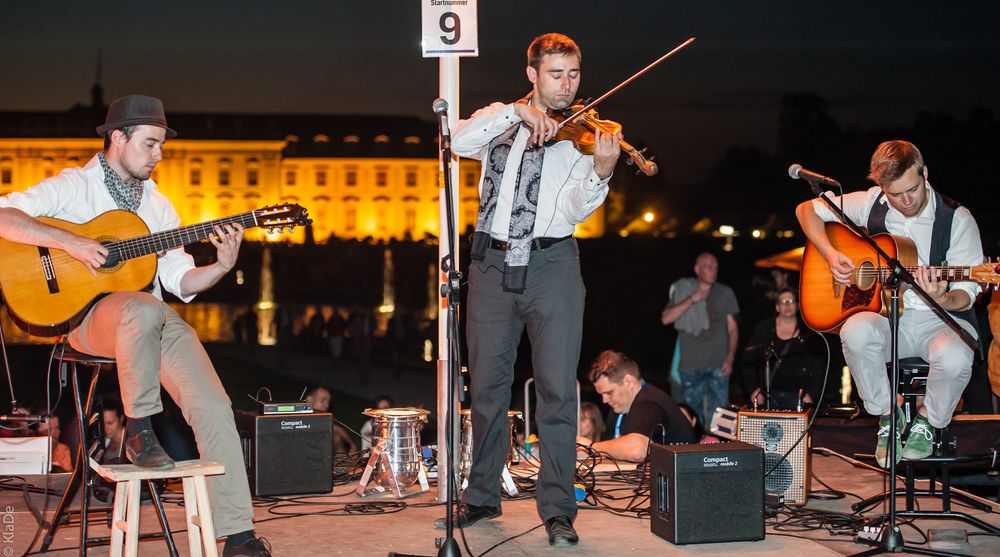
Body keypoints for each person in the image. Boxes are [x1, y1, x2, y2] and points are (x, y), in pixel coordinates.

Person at [0, 95, 270, 556]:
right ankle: (139, 431)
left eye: (161, 145)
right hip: (87, 319)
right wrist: (72, 242)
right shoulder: (74, 187)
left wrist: (221, 268)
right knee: (142, 310)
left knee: (213, 404)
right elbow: (5, 214)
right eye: (150, 144)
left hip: (149, 317)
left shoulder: (159, 206)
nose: (158, 155)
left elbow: (179, 280)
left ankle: (238, 535)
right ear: (117, 138)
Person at [441, 32, 621, 547]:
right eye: (556, 75)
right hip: (491, 266)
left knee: (558, 392)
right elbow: (457, 140)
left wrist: (601, 174)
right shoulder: (500, 117)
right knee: (489, 390)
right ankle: (481, 497)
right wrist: (517, 114)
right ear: (533, 75)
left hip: (551, 264)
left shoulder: (581, 136)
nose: (567, 87)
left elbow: (569, 212)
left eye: (574, 75)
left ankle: (558, 509)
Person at [795, 140, 983, 467]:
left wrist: (942, 296)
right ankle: (886, 414)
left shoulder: (956, 219)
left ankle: (928, 420)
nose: (906, 201)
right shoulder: (873, 203)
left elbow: (966, 294)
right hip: (890, 317)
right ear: (881, 187)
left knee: (955, 357)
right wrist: (830, 252)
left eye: (912, 189)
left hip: (941, 320)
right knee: (854, 331)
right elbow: (806, 210)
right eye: (895, 194)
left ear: (924, 173)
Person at [660, 253, 740, 426]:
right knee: (689, 416)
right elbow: (666, 318)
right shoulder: (684, 289)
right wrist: (691, 299)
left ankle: (720, 451)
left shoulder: (725, 292)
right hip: (691, 365)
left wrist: (731, 357)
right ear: (697, 269)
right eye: (708, 266)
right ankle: (692, 452)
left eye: (715, 267)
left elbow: (732, 328)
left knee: (720, 419)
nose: (713, 270)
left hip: (719, 364)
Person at [577, 350, 695, 462]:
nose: (604, 400)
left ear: (628, 382)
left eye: (608, 392)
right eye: (602, 394)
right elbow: (610, 452)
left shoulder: (648, 401)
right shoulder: (617, 410)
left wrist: (592, 447)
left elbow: (637, 451)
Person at [741, 288, 825, 410]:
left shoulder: (808, 330)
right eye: (783, 301)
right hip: (769, 395)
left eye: (791, 301)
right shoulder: (763, 329)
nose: (787, 305)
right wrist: (753, 389)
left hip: (799, 396)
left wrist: (812, 394)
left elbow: (819, 366)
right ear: (777, 307)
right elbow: (748, 360)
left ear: (797, 306)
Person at [303, 385, 358, 457]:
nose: (327, 405)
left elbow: (336, 428)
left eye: (328, 402)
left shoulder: (322, 418)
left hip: (321, 454)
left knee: (337, 438)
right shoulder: (299, 416)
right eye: (323, 401)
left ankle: (342, 466)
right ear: (309, 400)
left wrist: (352, 445)